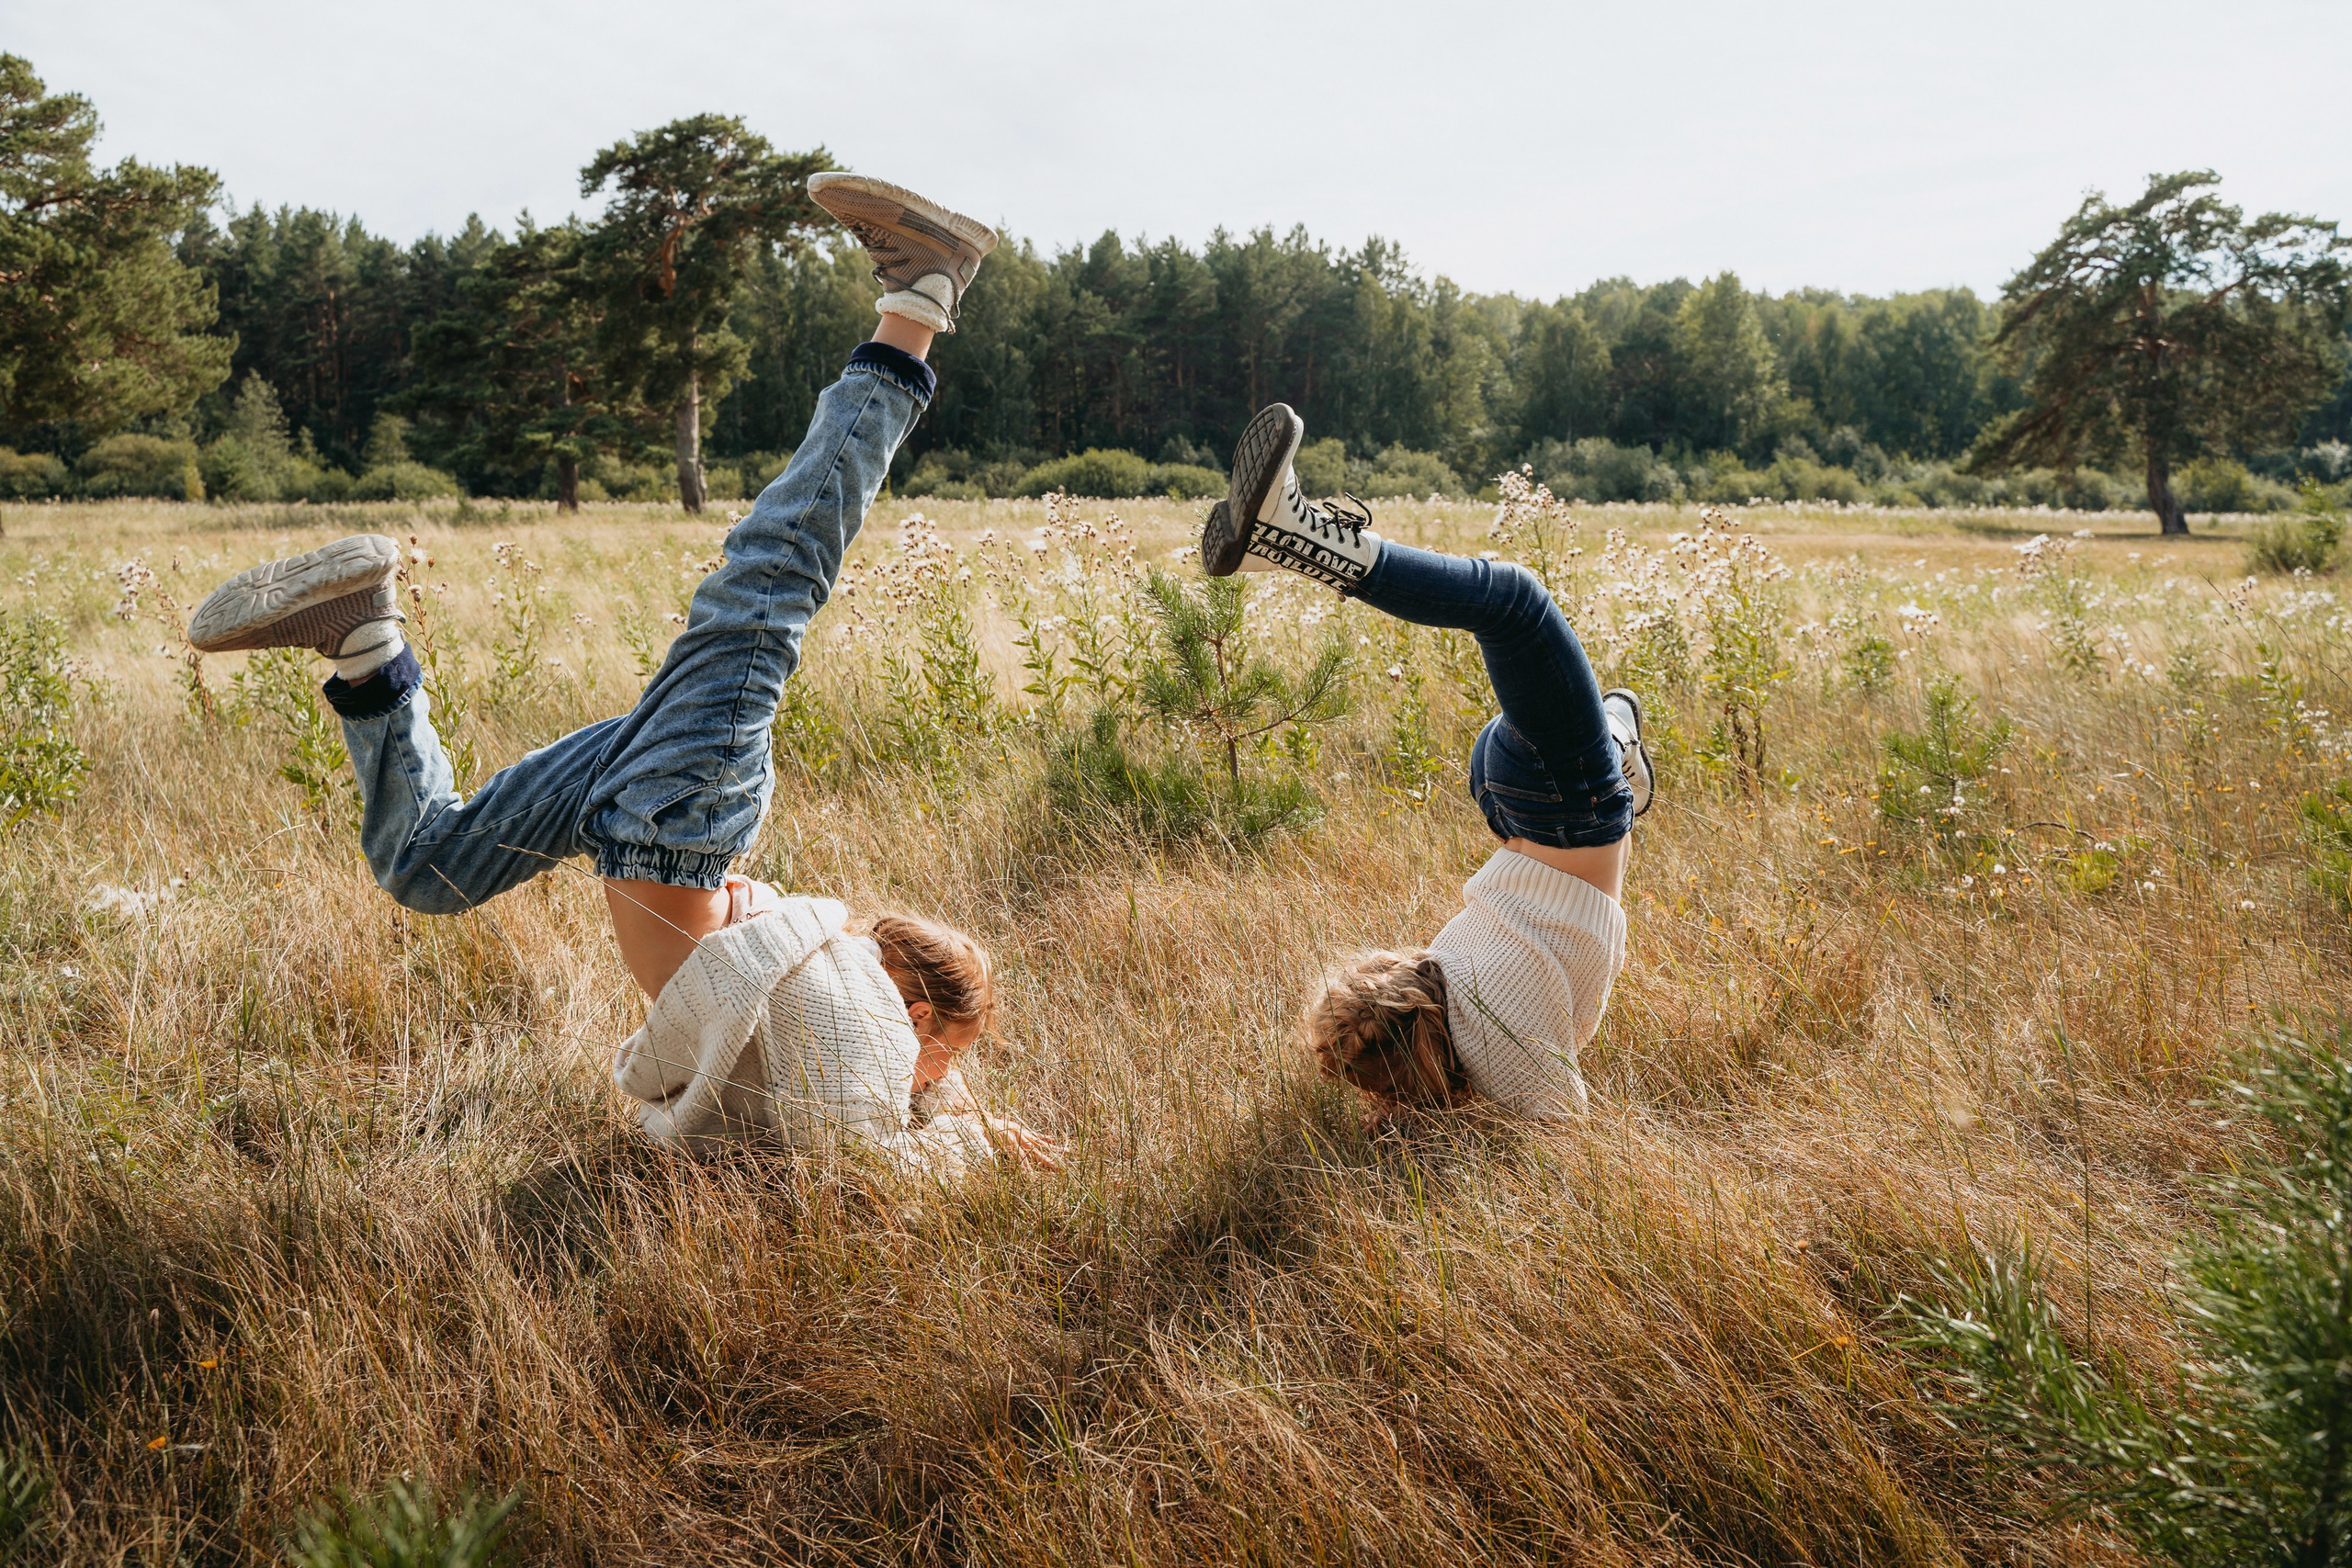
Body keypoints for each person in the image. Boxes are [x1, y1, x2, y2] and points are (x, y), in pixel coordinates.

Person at [186, 174, 1056, 1174]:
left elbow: (899, 1087)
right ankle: (923, 298)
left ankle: (359, 635)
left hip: (642, 810)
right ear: (908, 1015)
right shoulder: (852, 1026)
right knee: (773, 576)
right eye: (941, 1060)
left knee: (426, 868)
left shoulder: (820, 987)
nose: (930, 1082)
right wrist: (973, 1137)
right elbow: (875, 1137)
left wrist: (965, 1109)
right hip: (676, 810)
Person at [1199, 403, 1657, 1122]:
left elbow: (1555, 1116)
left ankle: (1616, 743)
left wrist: (1418, 1114)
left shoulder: (1490, 1039)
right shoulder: (1460, 984)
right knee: (1537, 637)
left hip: (1564, 807)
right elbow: (1549, 1119)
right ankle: (1284, 539)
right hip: (1512, 790)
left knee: (1522, 615)